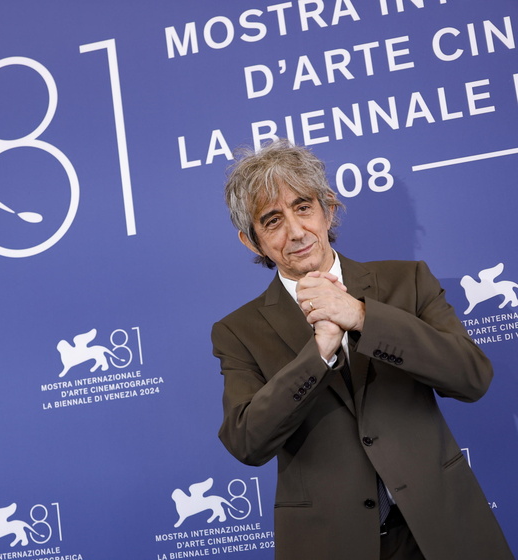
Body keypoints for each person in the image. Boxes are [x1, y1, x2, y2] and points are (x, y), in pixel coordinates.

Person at [212, 139, 514, 560]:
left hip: (441, 528)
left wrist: (363, 318)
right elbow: (247, 441)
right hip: (330, 543)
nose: (296, 231)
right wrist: (317, 356)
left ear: (329, 209)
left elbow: (472, 377)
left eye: (303, 207)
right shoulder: (237, 331)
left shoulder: (406, 282)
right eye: (273, 220)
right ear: (251, 241)